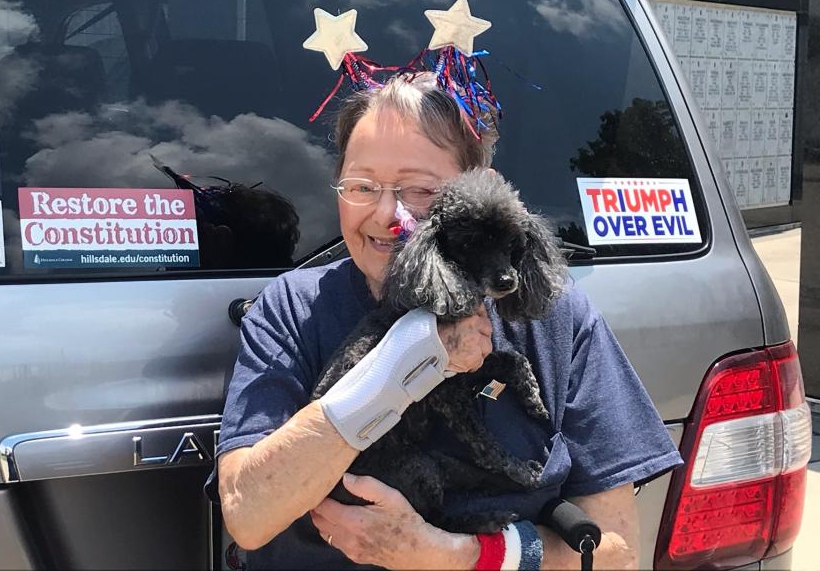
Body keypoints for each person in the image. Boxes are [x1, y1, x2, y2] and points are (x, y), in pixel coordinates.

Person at [211, 71, 681, 570]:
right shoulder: (291, 309)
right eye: (362, 186)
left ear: (481, 191)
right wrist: (397, 369)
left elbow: (617, 553)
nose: (387, 215)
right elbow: (247, 514)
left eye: (419, 191)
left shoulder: (556, 319)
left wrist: (455, 555)